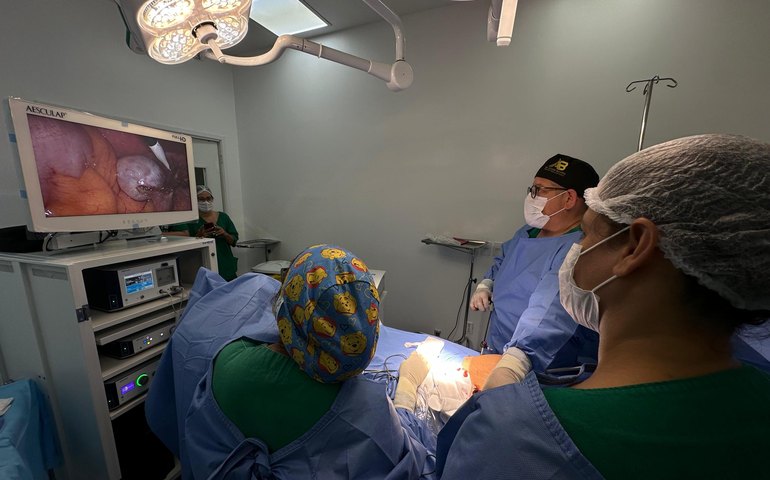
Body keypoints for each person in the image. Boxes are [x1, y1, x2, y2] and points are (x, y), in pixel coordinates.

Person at [436, 134, 770, 479]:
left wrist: (511, 377)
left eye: (588, 235)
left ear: (635, 248)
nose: (574, 252)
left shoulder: (521, 435)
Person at [146, 244, 436, 479]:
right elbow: (413, 460)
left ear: (285, 310)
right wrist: (407, 386)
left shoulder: (228, 363)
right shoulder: (367, 410)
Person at [470, 154, 600, 386]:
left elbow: (549, 310)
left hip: (539, 365)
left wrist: (515, 363)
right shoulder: (528, 232)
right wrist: (486, 284)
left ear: (569, 198)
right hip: (499, 347)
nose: (532, 197)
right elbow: (503, 259)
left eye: (539, 190)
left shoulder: (579, 248)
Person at [165, 185, 239, 280]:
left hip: (226, 267)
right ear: (194, 201)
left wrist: (224, 233)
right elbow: (184, 246)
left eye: (208, 198)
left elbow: (233, 241)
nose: (206, 202)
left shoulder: (223, 217)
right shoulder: (190, 220)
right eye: (201, 199)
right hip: (202, 266)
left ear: (212, 199)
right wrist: (199, 237)